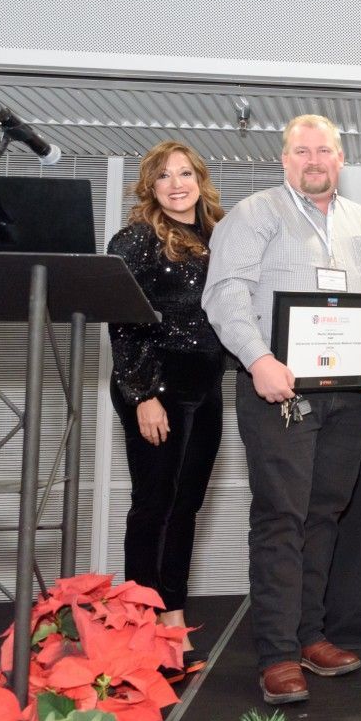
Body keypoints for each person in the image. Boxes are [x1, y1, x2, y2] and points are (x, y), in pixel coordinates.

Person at [202, 114, 361, 705]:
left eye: (325, 151)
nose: (314, 160)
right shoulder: (253, 215)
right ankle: (278, 655)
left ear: (341, 159)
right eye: (302, 151)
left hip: (344, 398)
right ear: (284, 158)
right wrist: (259, 359)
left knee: (324, 515)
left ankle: (310, 636)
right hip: (277, 391)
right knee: (281, 518)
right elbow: (225, 291)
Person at [107, 140, 227, 677]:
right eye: (164, 177)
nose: (176, 184)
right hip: (158, 384)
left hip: (208, 383)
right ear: (150, 188)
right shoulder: (135, 239)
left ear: (199, 180)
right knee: (153, 506)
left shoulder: (220, 238)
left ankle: (172, 625)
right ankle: (140, 634)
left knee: (186, 507)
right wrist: (143, 395)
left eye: (185, 174)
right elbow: (123, 321)